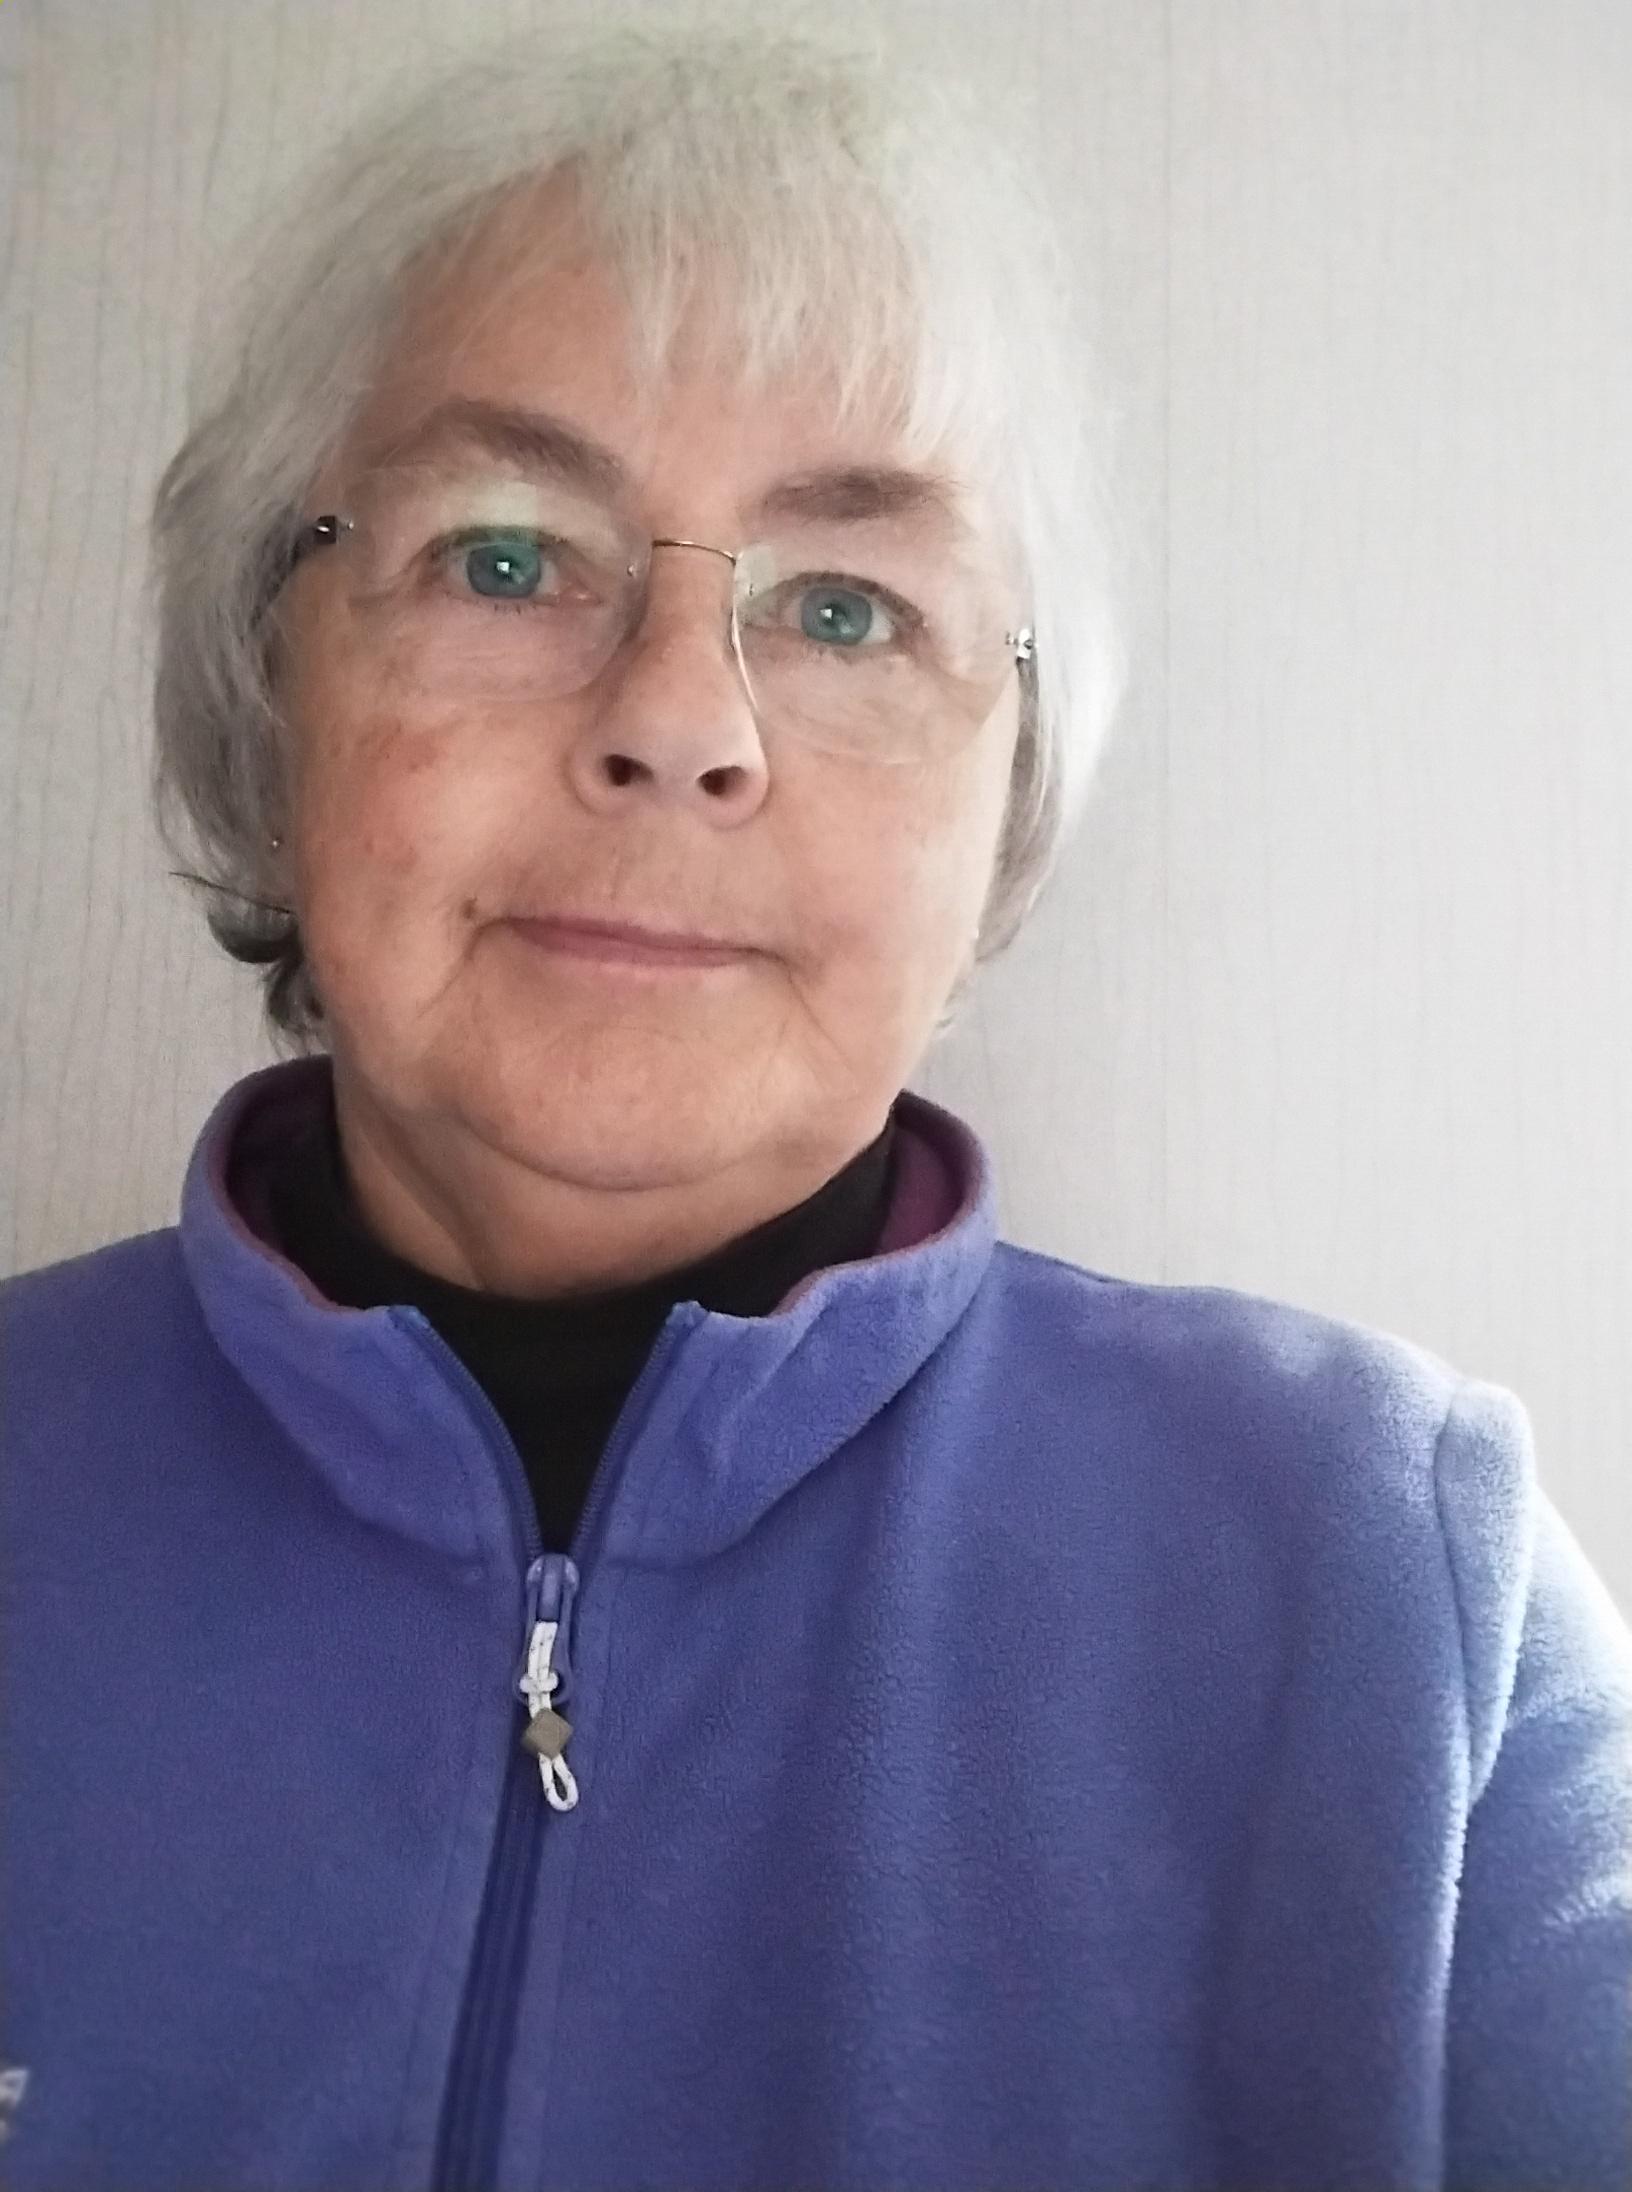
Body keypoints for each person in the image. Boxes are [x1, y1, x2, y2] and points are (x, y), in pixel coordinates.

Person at [4, 8, 1629, 2188]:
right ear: (262, 677)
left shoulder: (1400, 1586)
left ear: (1005, 799)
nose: (682, 722)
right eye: (506, 555)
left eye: (849, 608)